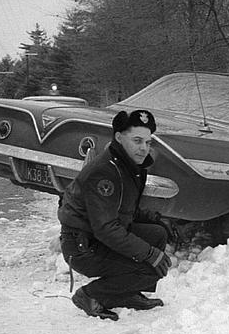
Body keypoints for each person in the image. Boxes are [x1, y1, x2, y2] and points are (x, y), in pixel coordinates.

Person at [58, 108, 173, 321]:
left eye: (148, 143)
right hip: (83, 247)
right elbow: (106, 228)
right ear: (119, 137)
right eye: (137, 141)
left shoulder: (127, 165)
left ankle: (124, 293)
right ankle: (90, 295)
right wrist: (149, 254)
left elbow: (122, 209)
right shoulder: (105, 171)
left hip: (94, 237)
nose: (143, 148)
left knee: (157, 234)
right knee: (151, 267)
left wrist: (154, 219)